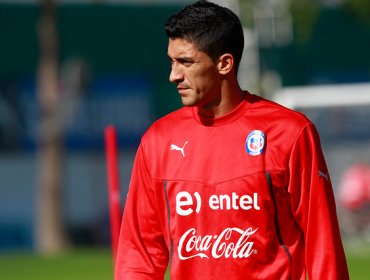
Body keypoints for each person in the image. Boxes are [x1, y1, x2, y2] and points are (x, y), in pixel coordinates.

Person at [114, 1, 349, 279]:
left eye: (186, 62)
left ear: (225, 63)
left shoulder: (290, 133)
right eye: (172, 62)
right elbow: (139, 256)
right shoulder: (158, 141)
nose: (173, 75)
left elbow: (323, 245)